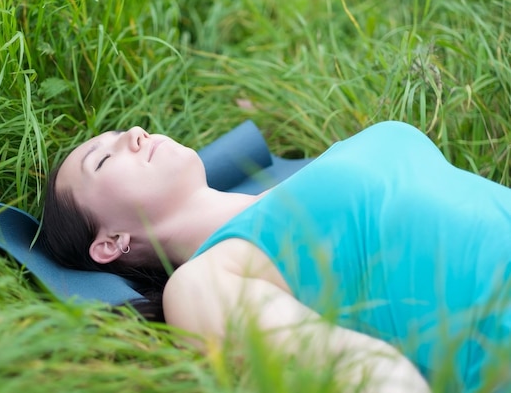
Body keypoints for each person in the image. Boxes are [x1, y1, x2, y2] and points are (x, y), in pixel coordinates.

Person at [41, 121, 511, 393]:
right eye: (102, 160)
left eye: (123, 130)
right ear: (111, 242)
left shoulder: (305, 175)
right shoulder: (200, 283)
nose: (136, 134)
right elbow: (373, 378)